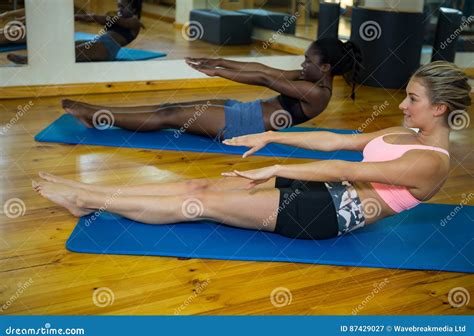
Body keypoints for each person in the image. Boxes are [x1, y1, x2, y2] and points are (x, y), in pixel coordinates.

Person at [33, 61, 470, 240]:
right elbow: (338, 141)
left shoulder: (428, 163)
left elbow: (343, 167)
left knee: (200, 202)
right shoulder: (405, 134)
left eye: (412, 99)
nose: (402, 104)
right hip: (327, 190)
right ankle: (86, 197)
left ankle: (84, 198)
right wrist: (272, 137)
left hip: (333, 215)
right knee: (196, 183)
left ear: (439, 108)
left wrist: (277, 167)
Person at [60, 38, 362, 140]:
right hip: (242, 111)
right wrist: (217, 60)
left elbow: (264, 79)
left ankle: (98, 115)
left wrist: (217, 71)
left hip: (244, 126)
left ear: (325, 68)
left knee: (171, 115)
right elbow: (265, 70)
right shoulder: (306, 77)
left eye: (308, 60)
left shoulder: (318, 94)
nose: (303, 62)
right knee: (169, 108)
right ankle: (99, 114)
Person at [6, 0, 142, 64]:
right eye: (117, 6)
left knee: (70, 54)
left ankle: (27, 60)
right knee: (65, 47)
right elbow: (94, 19)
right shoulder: (117, 17)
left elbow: (115, 21)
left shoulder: (134, 22)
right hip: (99, 42)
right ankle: (35, 58)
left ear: (134, 10)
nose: (118, 10)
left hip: (108, 48)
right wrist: (76, 16)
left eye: (122, 7)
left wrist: (94, 17)